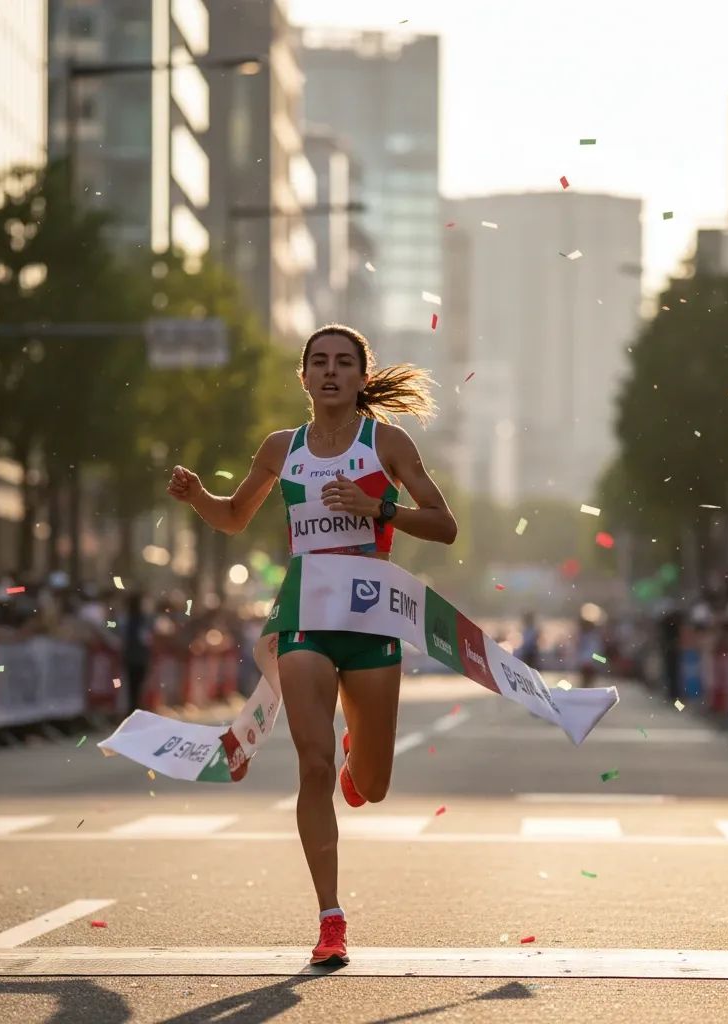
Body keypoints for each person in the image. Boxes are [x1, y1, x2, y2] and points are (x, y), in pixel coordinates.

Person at [167, 323, 457, 966]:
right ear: (303, 377)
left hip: (373, 620)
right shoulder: (281, 448)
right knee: (312, 764)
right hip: (302, 616)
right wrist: (198, 500)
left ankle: (363, 759)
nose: (330, 372)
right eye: (318, 362)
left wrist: (377, 509)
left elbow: (445, 526)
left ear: (360, 377)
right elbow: (234, 516)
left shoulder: (387, 442)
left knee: (371, 785)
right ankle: (330, 918)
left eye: (343, 363)